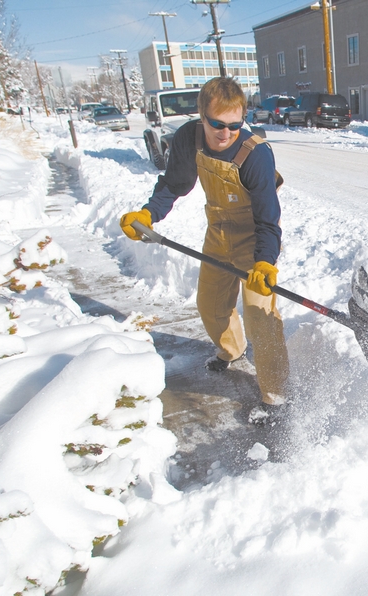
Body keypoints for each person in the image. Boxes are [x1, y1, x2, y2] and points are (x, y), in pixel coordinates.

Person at [119, 77, 289, 424]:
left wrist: (264, 263)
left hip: (254, 238)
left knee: (260, 317)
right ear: (202, 116)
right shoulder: (189, 138)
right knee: (210, 305)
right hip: (218, 233)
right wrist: (149, 214)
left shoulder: (255, 154)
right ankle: (231, 350)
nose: (226, 133)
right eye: (217, 124)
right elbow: (174, 184)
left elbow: (268, 219)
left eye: (234, 125)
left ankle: (276, 396)